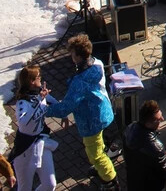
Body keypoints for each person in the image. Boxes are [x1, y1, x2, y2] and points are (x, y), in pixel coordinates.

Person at [45, 35, 118, 189]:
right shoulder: (97, 63)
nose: (71, 58)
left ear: (77, 56)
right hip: (102, 112)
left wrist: (45, 110)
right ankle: (103, 171)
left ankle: (110, 181)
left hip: (90, 121)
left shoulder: (79, 82)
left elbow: (66, 106)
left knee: (95, 155)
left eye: (72, 54)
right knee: (98, 145)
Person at [10, 65, 58, 191]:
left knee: (50, 184)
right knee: (24, 188)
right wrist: (39, 100)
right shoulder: (22, 102)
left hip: (41, 142)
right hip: (25, 148)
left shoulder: (41, 93)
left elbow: (54, 103)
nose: (41, 79)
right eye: (38, 77)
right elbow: (23, 121)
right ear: (32, 81)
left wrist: (63, 114)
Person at [124, 100, 166, 191]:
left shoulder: (130, 128)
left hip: (133, 181)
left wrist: (162, 155)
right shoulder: (155, 147)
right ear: (148, 124)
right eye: (159, 119)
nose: (163, 119)